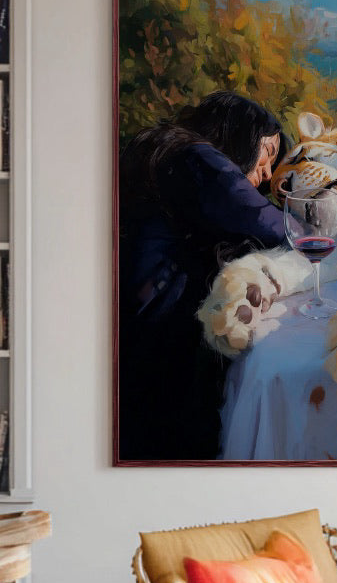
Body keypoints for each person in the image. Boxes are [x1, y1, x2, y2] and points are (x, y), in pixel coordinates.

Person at [117, 91, 290, 461]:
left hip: (138, 323)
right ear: (239, 135)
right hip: (162, 325)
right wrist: (325, 228)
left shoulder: (165, 151)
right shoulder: (198, 158)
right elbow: (270, 225)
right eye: (268, 154)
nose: (268, 173)